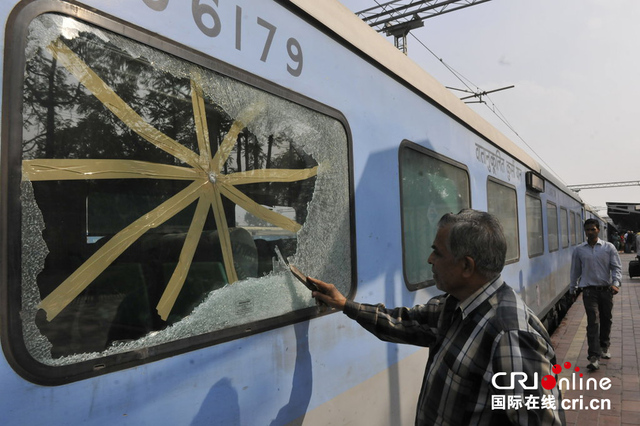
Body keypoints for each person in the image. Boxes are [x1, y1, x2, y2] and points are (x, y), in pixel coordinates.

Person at [309, 209, 564, 425]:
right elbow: (404, 322)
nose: (430, 259)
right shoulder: (455, 305)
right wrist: (344, 304)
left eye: (437, 253)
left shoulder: (510, 335)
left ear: (466, 266)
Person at [570, 218, 622, 371]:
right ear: (585, 231)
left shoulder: (609, 247)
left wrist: (616, 283)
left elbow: (616, 268)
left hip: (606, 290)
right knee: (593, 322)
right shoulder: (579, 250)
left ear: (598, 230)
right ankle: (593, 357)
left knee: (606, 320)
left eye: (593, 229)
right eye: (587, 230)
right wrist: (572, 288)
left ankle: (604, 346)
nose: (590, 232)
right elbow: (575, 271)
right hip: (589, 291)